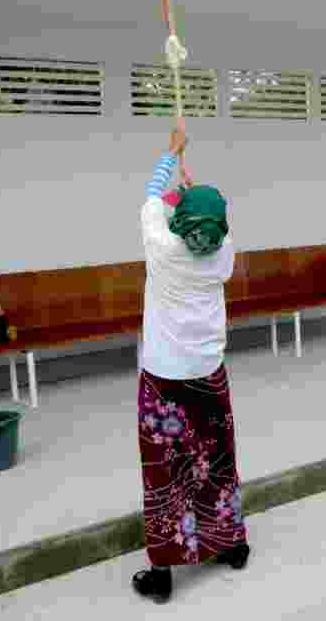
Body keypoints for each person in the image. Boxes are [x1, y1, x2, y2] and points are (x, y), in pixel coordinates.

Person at [132, 120, 250, 605]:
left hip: (163, 379)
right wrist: (193, 195)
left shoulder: (161, 248)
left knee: (165, 469)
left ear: (178, 224)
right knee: (217, 461)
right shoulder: (223, 255)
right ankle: (231, 545)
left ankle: (163, 573)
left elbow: (150, 200)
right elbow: (214, 220)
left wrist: (170, 153)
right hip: (208, 376)